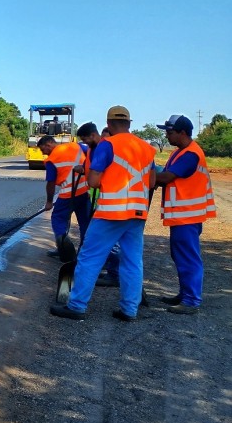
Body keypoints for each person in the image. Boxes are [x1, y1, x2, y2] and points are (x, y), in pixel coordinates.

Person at [50, 105, 156, 322]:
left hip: (111, 212)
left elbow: (93, 181)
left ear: (108, 124)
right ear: (129, 123)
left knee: (89, 257)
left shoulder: (108, 145)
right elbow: (152, 182)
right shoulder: (146, 147)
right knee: (133, 261)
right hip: (138, 213)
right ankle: (129, 310)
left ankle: (77, 306)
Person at [154, 114, 216, 315]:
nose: (167, 136)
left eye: (170, 133)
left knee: (188, 257)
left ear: (182, 133)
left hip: (187, 216)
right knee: (180, 255)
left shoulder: (191, 155)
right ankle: (185, 294)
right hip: (183, 216)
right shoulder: (180, 152)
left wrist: (142, 177)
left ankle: (191, 300)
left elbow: (166, 177)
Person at [75, 122, 120, 287]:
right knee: (94, 236)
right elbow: (90, 168)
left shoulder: (103, 148)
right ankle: (108, 268)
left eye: (86, 140)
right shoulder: (92, 149)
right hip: (95, 198)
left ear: (93, 135)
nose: (85, 143)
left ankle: (113, 273)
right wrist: (82, 169)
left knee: (109, 240)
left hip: (108, 201)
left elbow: (98, 176)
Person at [37, 135, 91, 257]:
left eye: (42, 150)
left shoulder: (52, 160)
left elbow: (51, 183)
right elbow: (91, 152)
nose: (43, 153)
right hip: (84, 191)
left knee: (58, 218)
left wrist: (49, 202)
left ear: (48, 144)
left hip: (68, 194)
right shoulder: (76, 146)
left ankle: (63, 247)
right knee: (85, 223)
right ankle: (83, 253)